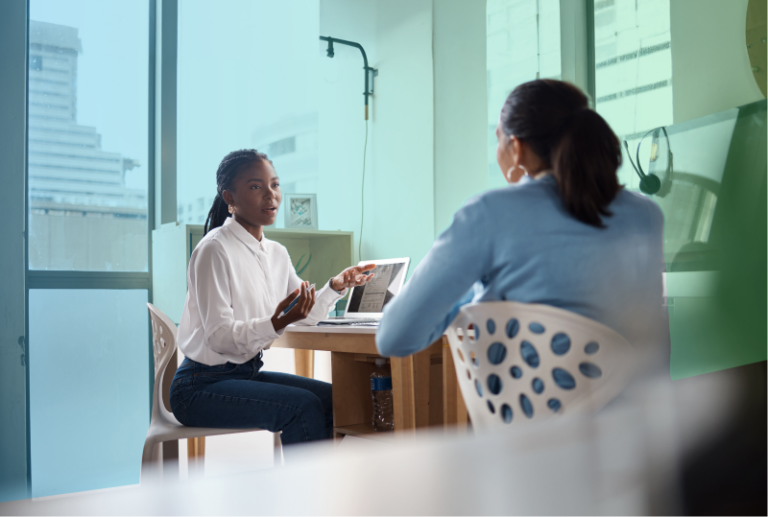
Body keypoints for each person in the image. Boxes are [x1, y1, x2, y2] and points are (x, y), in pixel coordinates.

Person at [376, 79, 669, 374]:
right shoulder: (646, 214)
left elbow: (394, 337)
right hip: (637, 400)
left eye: (498, 139)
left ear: (516, 147)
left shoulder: (489, 215)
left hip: (532, 403)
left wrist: (476, 291)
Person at [170, 149, 375, 448]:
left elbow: (306, 314)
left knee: (336, 400)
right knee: (302, 407)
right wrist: (277, 322)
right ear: (229, 197)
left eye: (275, 185)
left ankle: (323, 475)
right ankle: (308, 481)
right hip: (198, 387)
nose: (271, 195)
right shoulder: (214, 249)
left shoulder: (277, 253)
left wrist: (335, 286)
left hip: (247, 374)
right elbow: (219, 337)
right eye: (256, 186)